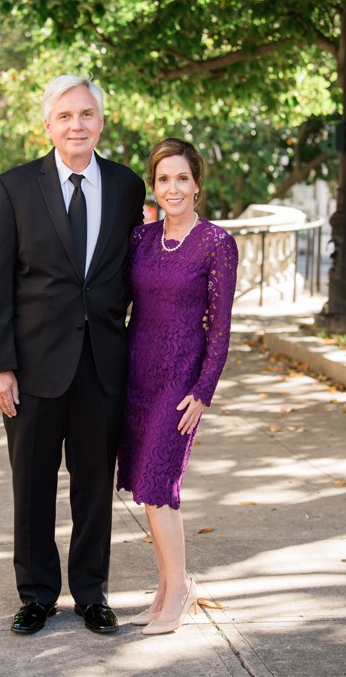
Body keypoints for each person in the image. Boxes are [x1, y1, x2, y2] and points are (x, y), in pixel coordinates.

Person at [0, 75, 145, 635]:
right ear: (47, 124)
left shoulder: (125, 187)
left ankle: (92, 593)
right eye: (66, 116)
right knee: (33, 485)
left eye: (87, 114)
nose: (77, 125)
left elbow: (133, 272)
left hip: (103, 365)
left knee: (95, 487)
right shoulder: (13, 188)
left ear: (101, 122)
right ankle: (37, 594)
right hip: (32, 367)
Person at [116, 138, 238, 635]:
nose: (173, 188)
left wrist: (203, 391)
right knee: (146, 487)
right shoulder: (142, 240)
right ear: (154, 184)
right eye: (164, 179)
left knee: (162, 486)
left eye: (182, 178)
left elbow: (221, 327)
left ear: (197, 185)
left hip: (181, 381)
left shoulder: (216, 243)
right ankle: (167, 588)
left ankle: (181, 589)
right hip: (136, 374)